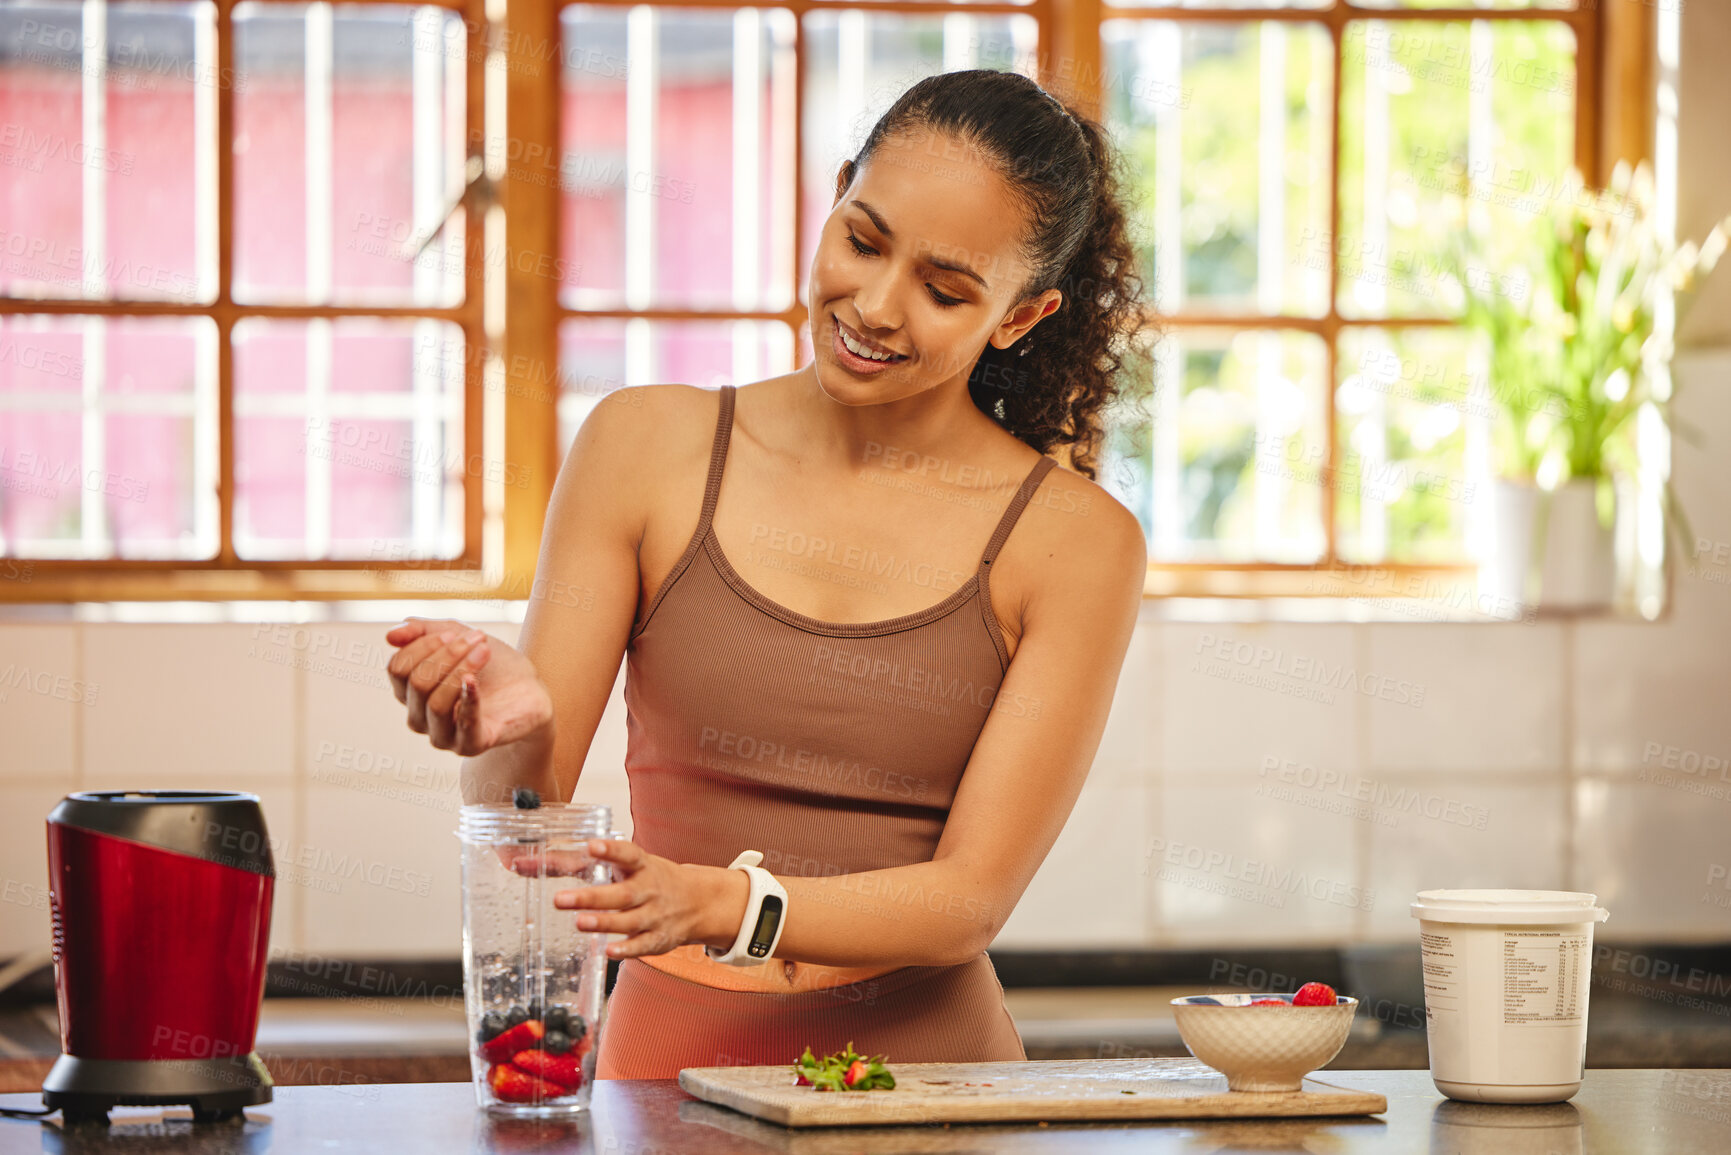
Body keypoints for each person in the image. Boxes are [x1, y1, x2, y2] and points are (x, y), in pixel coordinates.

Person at [384, 68, 1149, 1079]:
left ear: (1018, 317)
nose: (875, 307)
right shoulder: (643, 445)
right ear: (834, 198)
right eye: (862, 240)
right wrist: (508, 730)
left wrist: (725, 903)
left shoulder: (1075, 541)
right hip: (668, 1073)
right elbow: (529, 831)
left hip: (934, 1087)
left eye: (944, 289)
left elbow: (969, 901)